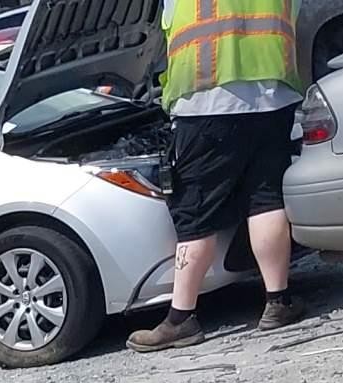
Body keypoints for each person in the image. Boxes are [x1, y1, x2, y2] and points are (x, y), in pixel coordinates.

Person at [129, 0, 306, 350]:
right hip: (272, 99)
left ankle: (181, 318)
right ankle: (277, 301)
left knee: (196, 210)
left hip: (206, 104)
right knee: (266, 199)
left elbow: (168, 28)